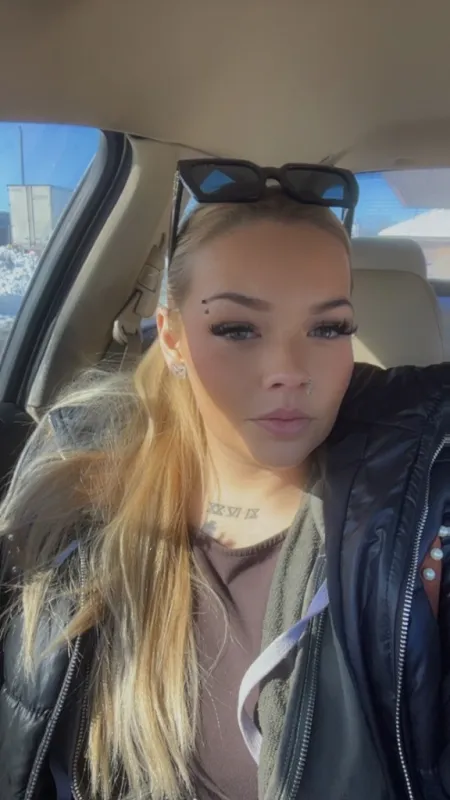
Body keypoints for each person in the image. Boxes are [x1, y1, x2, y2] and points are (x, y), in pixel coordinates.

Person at [0, 159, 449, 800]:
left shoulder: (417, 529)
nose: (288, 369)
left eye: (328, 328)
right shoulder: (73, 503)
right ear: (172, 339)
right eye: (237, 328)